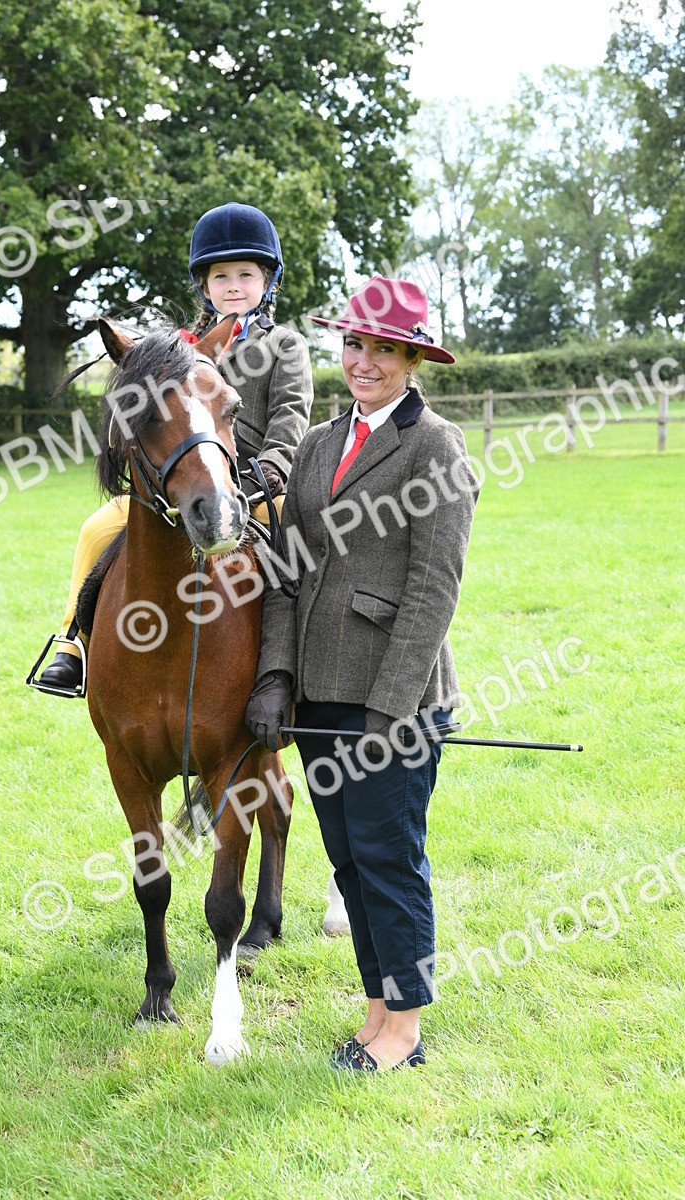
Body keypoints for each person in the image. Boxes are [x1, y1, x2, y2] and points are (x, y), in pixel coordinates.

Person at [244, 275, 479, 1071]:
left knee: (389, 859)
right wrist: (277, 677)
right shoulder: (316, 442)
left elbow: (433, 589)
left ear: (413, 361)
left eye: (383, 349)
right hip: (318, 696)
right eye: (353, 344)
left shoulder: (436, 446)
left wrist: (390, 710)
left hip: (392, 703)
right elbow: (284, 573)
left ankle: (403, 1033)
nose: (363, 362)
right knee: (349, 862)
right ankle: (377, 1013)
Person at [34, 202, 313, 694]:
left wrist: (271, 468)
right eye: (220, 276)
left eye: (245, 275)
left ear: (267, 281)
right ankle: (72, 644)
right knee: (97, 528)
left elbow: (291, 415)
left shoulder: (285, 345)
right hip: (179, 481)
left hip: (257, 483)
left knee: (299, 546)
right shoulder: (174, 350)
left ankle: (304, 661)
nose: (233, 286)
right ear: (203, 285)